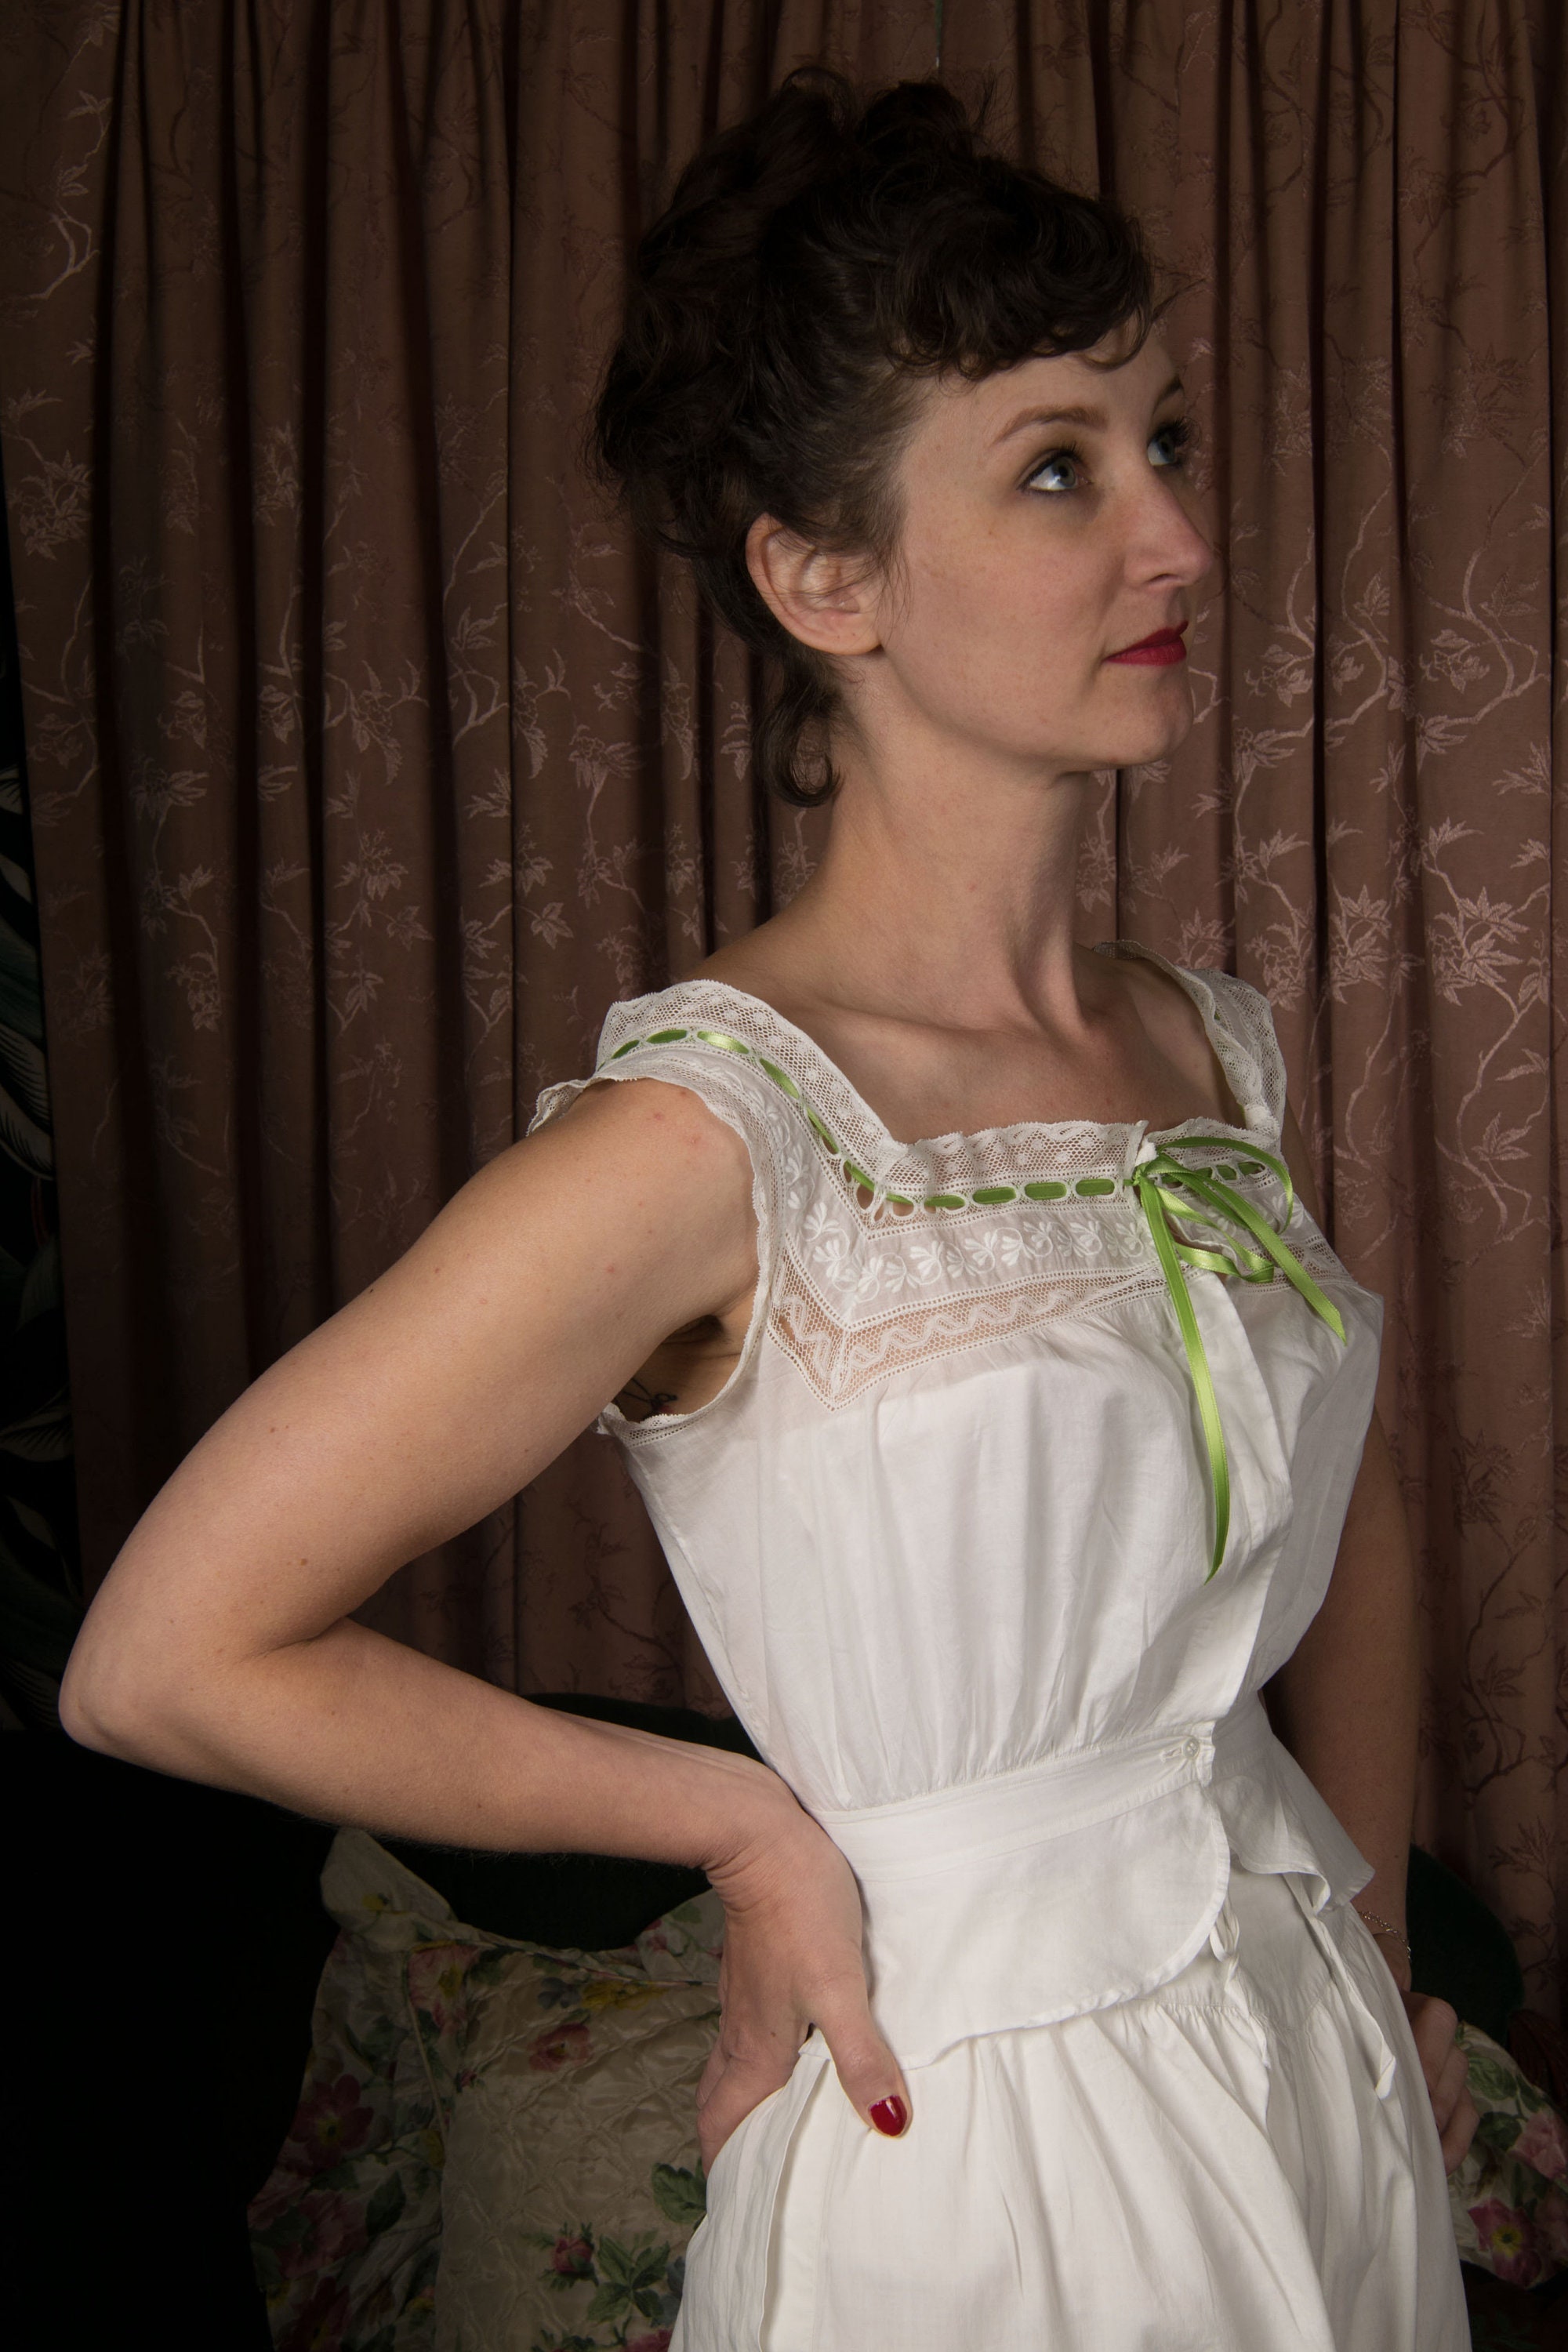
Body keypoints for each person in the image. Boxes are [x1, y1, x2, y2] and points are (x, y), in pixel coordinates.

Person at [61, 66, 1476, 2351]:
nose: (1177, 537)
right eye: (1058, 466)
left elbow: (1355, 1483)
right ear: (827, 579)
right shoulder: (713, 1137)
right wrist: (740, 1828)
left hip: (1308, 2056)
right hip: (980, 2146)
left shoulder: (1211, 1049)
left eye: (1167, 440)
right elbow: (164, 1657)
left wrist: (1378, 1932)